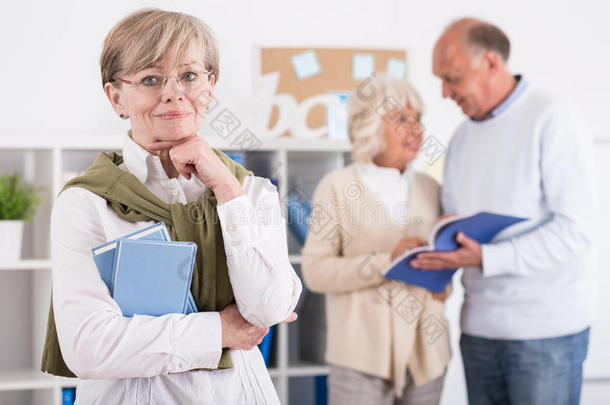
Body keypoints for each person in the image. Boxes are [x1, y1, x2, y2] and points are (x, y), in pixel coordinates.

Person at [40, 8, 302, 404]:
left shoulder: (252, 192)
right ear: (116, 98)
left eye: (190, 75)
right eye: (150, 78)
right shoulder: (87, 202)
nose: (173, 92)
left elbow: (268, 307)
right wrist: (221, 331)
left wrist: (226, 189)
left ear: (210, 87)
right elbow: (88, 345)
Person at [411, 17, 597, 405]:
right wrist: (436, 248)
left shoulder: (552, 117)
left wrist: (488, 257)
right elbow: (460, 221)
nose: (445, 92)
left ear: (492, 64)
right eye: (440, 80)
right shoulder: (462, 137)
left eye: (453, 77)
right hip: (479, 332)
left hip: (545, 335)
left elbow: (575, 229)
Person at [302, 74, 451, 405]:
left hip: (426, 355)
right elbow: (315, 272)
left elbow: (444, 260)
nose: (415, 129)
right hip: (360, 359)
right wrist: (388, 262)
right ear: (370, 124)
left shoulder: (431, 188)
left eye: (418, 119)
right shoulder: (336, 186)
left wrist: (444, 286)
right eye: (401, 118)